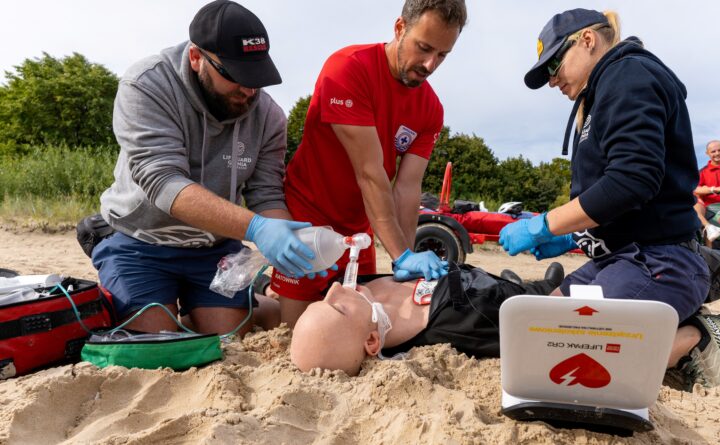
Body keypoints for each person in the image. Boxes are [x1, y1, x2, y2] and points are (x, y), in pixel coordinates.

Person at [499, 9, 720, 391]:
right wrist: (571, 237)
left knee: (577, 357)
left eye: (554, 63)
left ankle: (699, 335)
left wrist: (543, 224)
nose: (552, 79)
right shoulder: (601, 94)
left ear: (587, 41)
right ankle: (664, 322)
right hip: (620, 257)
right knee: (542, 328)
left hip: (660, 259)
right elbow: (619, 200)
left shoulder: (628, 75)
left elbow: (633, 180)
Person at [92, 1, 324, 336]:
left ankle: (248, 301)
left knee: (231, 336)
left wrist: (292, 241)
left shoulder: (270, 117)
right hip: (140, 240)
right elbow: (162, 182)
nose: (249, 90)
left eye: (257, 77)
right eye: (236, 76)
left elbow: (266, 193)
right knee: (155, 341)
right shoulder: (146, 84)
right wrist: (257, 230)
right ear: (197, 57)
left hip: (213, 248)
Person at [270, 0, 468, 326]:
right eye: (424, 48)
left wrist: (403, 261)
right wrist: (401, 253)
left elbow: (406, 187)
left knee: (354, 326)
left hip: (357, 228)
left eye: (443, 55)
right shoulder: (347, 68)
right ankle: (268, 292)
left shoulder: (430, 108)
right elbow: (370, 172)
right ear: (400, 28)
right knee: (296, 328)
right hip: (307, 215)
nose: (430, 64)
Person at [291, 263, 565, 376]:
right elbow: (535, 324)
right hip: (500, 297)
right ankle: (534, 285)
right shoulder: (460, 323)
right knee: (532, 293)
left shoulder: (362, 294)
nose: (335, 289)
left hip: (477, 279)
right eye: (338, 308)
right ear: (372, 341)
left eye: (323, 299)